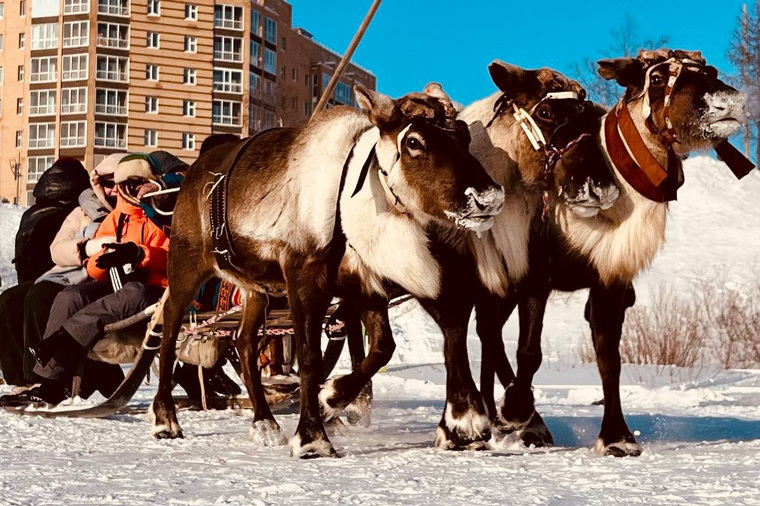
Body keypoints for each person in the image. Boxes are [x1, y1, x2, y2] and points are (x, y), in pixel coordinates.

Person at [0, 154, 169, 407]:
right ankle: (51, 383)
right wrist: (98, 259)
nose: (126, 190)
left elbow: (175, 256)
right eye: (123, 185)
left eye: (137, 183)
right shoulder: (115, 218)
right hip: (115, 281)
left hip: (155, 286)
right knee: (71, 296)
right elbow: (76, 258)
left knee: (132, 292)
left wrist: (139, 253)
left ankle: (58, 342)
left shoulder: (161, 213)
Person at [0, 157, 117, 388]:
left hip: (101, 280)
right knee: (8, 300)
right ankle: (19, 379)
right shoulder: (80, 212)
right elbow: (57, 249)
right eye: (105, 183)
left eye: (116, 183)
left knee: (42, 295)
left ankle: (41, 378)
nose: (111, 189)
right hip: (68, 272)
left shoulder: (124, 213)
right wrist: (84, 248)